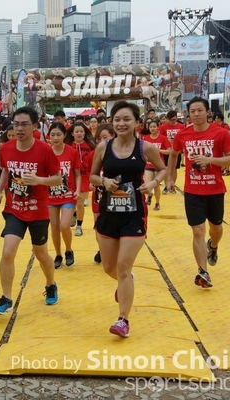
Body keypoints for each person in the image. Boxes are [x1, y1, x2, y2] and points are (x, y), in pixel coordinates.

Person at [89, 101, 166, 338]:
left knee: (123, 266)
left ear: (137, 123)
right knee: (109, 268)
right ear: (111, 122)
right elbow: (92, 176)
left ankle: (123, 320)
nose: (121, 124)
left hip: (134, 215)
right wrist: (104, 182)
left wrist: (153, 183)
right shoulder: (103, 147)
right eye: (117, 120)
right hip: (108, 213)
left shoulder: (145, 148)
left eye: (126, 119)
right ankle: (127, 280)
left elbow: (162, 169)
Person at [0, 106, 62, 314]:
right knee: (7, 252)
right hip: (14, 209)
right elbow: (6, 171)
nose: (19, 128)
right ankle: (6, 297)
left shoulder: (45, 150)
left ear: (34, 126)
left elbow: (58, 178)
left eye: (24, 124)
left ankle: (50, 284)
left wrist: (39, 180)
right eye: (16, 124)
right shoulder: (6, 149)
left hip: (38, 211)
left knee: (41, 254)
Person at [166, 97, 230, 289]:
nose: (196, 114)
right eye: (192, 111)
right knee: (197, 231)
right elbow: (173, 154)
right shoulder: (183, 134)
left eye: (199, 110)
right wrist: (170, 178)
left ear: (207, 112)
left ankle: (213, 246)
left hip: (215, 190)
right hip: (193, 191)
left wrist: (210, 160)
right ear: (188, 114)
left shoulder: (221, 133)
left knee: (216, 228)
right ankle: (203, 272)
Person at [47, 122, 81, 268]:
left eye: (58, 135)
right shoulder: (46, 152)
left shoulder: (72, 152)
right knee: (54, 226)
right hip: (51, 196)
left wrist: (77, 190)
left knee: (64, 225)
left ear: (65, 135)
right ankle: (58, 254)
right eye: (53, 135)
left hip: (68, 195)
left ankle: (68, 250)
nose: (55, 138)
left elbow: (77, 174)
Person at [85, 124, 116, 264]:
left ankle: (112, 252)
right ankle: (102, 250)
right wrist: (91, 182)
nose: (102, 141)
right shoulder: (94, 154)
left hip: (116, 197)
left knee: (114, 227)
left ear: (113, 136)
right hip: (98, 196)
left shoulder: (120, 154)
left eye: (105, 137)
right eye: (99, 139)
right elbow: (90, 174)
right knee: (99, 227)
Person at [65, 122, 96, 236]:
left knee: (80, 203)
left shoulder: (90, 146)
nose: (79, 133)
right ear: (72, 133)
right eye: (77, 131)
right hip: (70, 178)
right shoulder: (67, 146)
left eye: (82, 131)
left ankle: (79, 226)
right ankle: (73, 213)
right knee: (70, 203)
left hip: (85, 178)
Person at [140, 120, 171, 211]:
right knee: (147, 184)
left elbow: (169, 151)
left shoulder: (163, 138)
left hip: (159, 166)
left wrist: (159, 151)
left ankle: (157, 203)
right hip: (148, 165)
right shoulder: (145, 138)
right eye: (151, 127)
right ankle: (150, 195)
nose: (152, 129)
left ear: (158, 127)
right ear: (148, 128)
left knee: (156, 186)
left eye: (154, 127)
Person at [159, 110, 185, 193]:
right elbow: (161, 138)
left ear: (176, 118)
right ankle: (166, 185)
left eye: (174, 119)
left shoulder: (181, 126)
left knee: (175, 169)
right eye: (171, 120)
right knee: (166, 168)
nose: (173, 121)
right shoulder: (163, 127)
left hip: (177, 150)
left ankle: (172, 184)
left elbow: (184, 138)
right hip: (167, 150)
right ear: (168, 119)